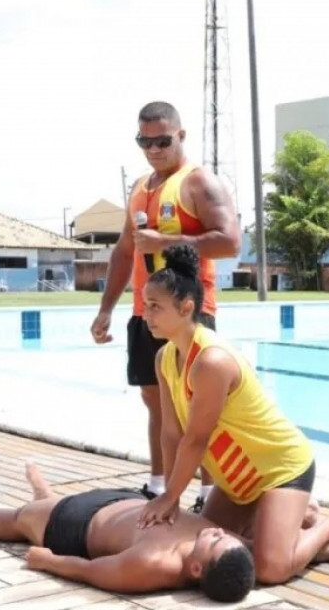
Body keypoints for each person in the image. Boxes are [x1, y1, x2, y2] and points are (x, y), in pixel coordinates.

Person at [135, 244, 329, 585]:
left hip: (281, 469)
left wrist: (172, 498)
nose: (146, 314)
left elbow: (196, 439)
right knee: (217, 549)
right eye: (145, 305)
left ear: (186, 308)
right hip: (237, 483)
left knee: (270, 570)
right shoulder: (165, 358)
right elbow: (171, 434)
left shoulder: (211, 361)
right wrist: (167, 499)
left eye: (155, 306)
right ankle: (313, 528)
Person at [0, 465, 329, 600]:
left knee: (18, 521)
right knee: (44, 499)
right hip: (131, 503)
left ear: (195, 568)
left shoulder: (150, 566)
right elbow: (298, 555)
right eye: (227, 537)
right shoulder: (228, 556)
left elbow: (94, 571)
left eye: (216, 541)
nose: (220, 532)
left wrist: (50, 561)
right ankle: (45, 488)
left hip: (77, 524)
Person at [91, 101, 242, 509]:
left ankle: (209, 492)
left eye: (162, 140)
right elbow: (125, 251)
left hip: (190, 311)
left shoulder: (199, 183)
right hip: (147, 312)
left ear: (180, 135)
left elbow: (230, 242)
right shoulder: (141, 188)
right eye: (145, 140)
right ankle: (159, 484)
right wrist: (106, 308)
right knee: (154, 400)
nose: (154, 148)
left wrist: (167, 242)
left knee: (198, 403)